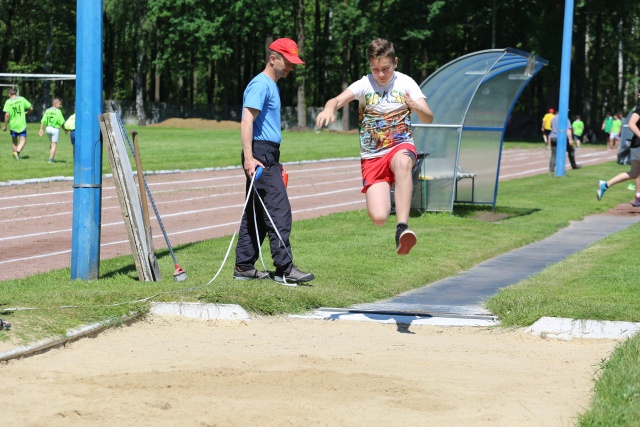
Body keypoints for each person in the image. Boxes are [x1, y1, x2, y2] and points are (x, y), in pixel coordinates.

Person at [315, 38, 434, 255]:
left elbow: (429, 118)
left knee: (403, 162)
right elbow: (336, 100)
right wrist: (329, 109)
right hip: (372, 156)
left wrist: (416, 107)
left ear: (395, 62)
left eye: (385, 69)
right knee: (379, 218)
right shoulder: (364, 84)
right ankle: (393, 192)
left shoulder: (406, 82)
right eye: (375, 69)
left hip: (400, 145)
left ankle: (402, 228)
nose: (380, 74)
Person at [233, 38, 314, 285]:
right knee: (279, 211)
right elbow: (247, 121)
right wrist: (250, 158)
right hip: (259, 154)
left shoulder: (272, 86)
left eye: (293, 63)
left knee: (256, 214)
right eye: (287, 62)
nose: (291, 67)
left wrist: (274, 161)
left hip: (267, 154)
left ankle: (244, 266)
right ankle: (285, 269)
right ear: (273, 58)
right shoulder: (260, 84)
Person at [598, 92, 640, 204]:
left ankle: (605, 185)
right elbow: (631, 123)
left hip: (636, 146)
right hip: (638, 145)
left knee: (634, 173)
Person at [2, 87, 33, 159]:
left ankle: (15, 155)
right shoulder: (21, 99)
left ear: (9, 94)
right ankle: (17, 153)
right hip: (21, 124)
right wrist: (27, 113)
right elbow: (31, 108)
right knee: (23, 141)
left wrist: (5, 126)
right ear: (16, 94)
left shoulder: (8, 102)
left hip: (13, 125)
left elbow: (7, 114)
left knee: (14, 141)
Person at [39, 97, 68, 163]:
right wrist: (65, 130)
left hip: (48, 128)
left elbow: (43, 121)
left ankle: (51, 157)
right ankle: (51, 159)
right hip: (55, 129)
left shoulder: (47, 110)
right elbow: (61, 123)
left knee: (52, 143)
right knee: (54, 144)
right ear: (55, 103)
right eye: (60, 104)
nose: (61, 106)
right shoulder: (58, 111)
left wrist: (41, 129)